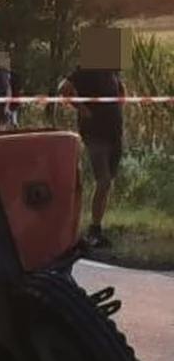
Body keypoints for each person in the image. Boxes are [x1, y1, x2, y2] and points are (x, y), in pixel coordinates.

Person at [58, 57, 125, 248]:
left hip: (114, 132)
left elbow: (119, 89)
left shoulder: (111, 70)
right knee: (102, 179)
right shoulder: (85, 69)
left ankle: (96, 227)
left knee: (107, 182)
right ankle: (93, 230)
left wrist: (121, 104)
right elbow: (64, 88)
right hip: (95, 133)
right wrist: (82, 108)